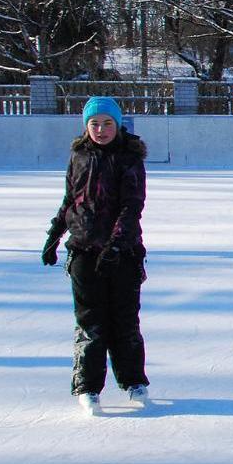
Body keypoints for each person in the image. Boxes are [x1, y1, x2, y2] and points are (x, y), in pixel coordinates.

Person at [43, 96, 151, 417]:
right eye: (94, 124)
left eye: (107, 124)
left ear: (117, 126)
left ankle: (133, 381)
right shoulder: (79, 156)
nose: (100, 130)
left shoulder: (129, 159)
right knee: (90, 322)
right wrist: (54, 234)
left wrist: (116, 246)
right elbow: (70, 200)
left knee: (124, 319)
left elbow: (132, 207)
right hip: (84, 252)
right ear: (86, 126)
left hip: (124, 254)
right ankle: (88, 386)